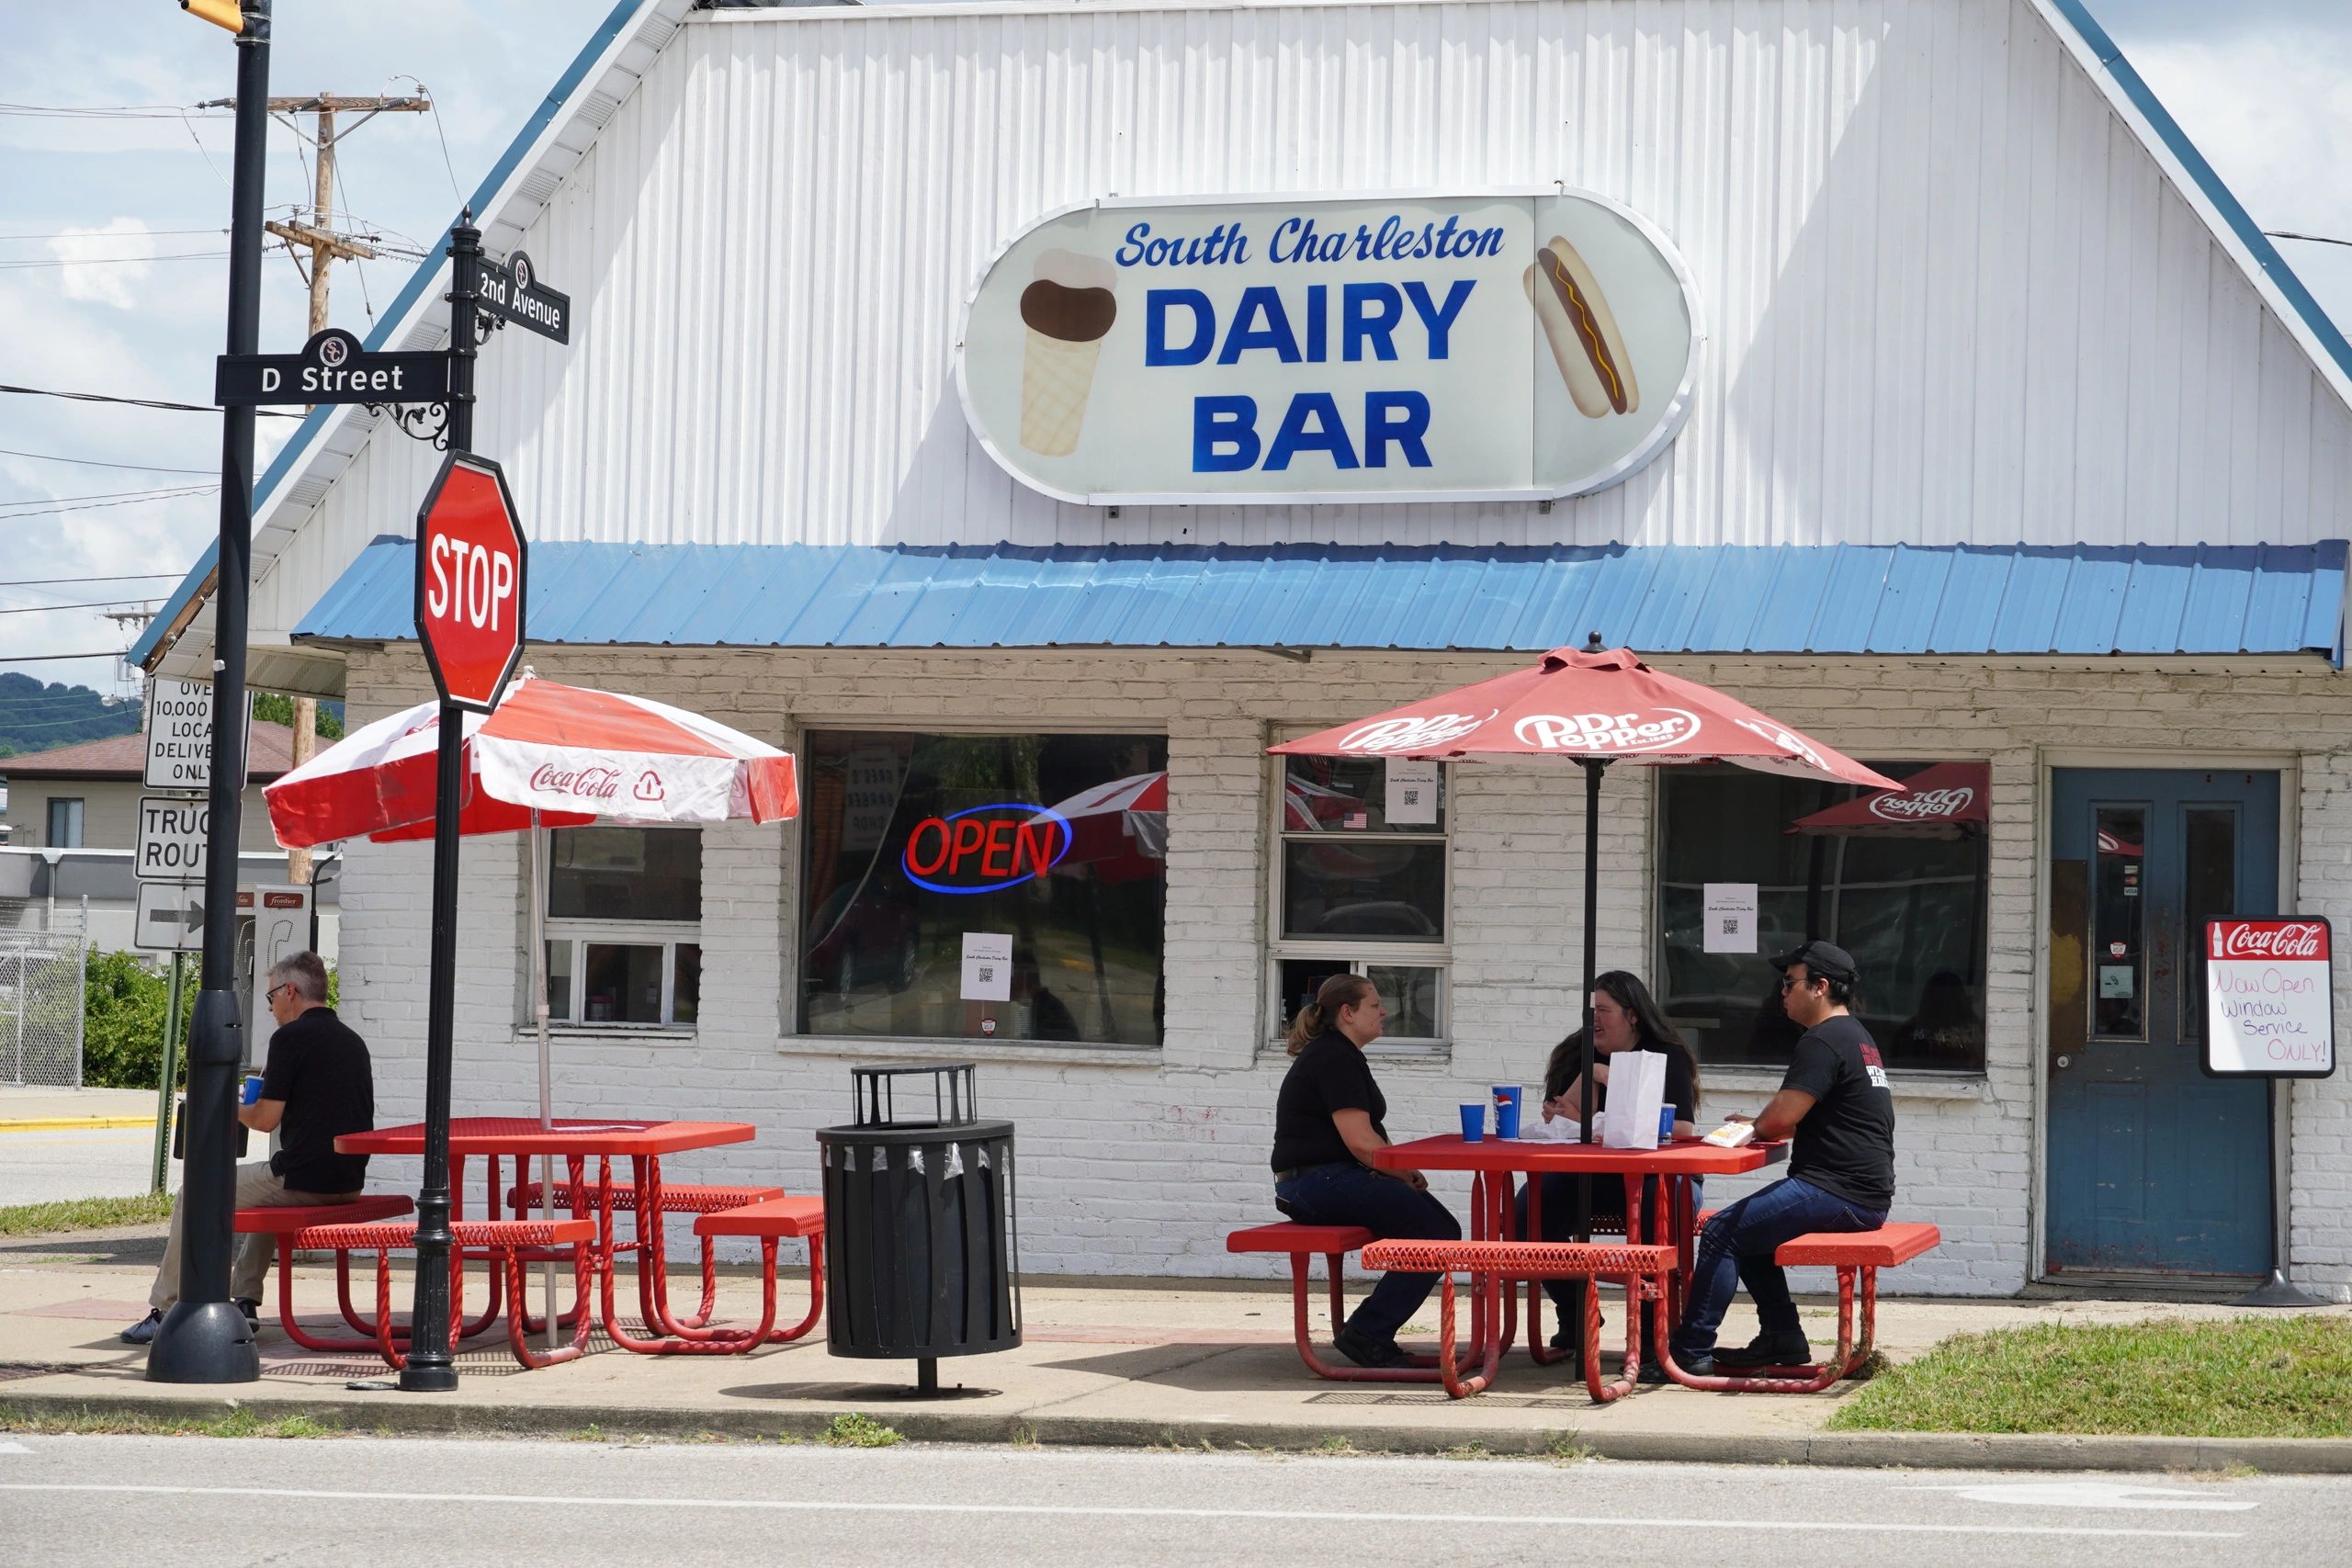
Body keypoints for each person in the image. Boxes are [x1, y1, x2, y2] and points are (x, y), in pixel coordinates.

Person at [1654, 940, 1894, 1378]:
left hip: (1839, 1190)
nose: (1781, 993)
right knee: (1750, 1229)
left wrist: (1756, 1126)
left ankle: (1689, 1351)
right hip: (1860, 1191)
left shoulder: (1823, 1040)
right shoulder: (1858, 1037)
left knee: (1724, 1230)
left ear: (1820, 987)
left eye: (1789, 983)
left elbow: (1781, 1119)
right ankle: (1782, 1336)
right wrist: (1761, 1122)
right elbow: (1828, 1117)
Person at [123, 952, 375, 1347]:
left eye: (272, 996)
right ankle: (244, 1300)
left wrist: (224, 1104)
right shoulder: (352, 1040)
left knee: (194, 1193)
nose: (271, 1006)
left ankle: (166, 1310)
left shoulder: (291, 1038)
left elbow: (264, 1120)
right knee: (266, 1195)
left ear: (291, 991)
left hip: (305, 1180)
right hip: (348, 1181)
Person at [1270, 973, 1461, 1369]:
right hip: (1315, 1181)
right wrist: (1402, 1170)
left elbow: (1367, 1139)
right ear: (1347, 1012)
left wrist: (1401, 1171)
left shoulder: (1340, 1053)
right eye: (1374, 1005)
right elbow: (1360, 1141)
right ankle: (1367, 1334)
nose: (1384, 1011)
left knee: (1438, 1229)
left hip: (1325, 1178)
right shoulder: (1333, 1056)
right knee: (1436, 1232)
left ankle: (1370, 1332)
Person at [1512, 971, 1701, 1346]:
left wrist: (1605, 1073)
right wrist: (1585, 1078)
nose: (1594, 1019)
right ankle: (1578, 1312)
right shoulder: (1575, 1051)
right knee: (1525, 1215)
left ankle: (1652, 1334)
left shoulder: (1665, 1055)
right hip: (1591, 1174)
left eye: (1604, 1010)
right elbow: (1566, 1121)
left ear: (1633, 1016)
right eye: (1590, 1011)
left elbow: (1679, 1127)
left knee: (1655, 1215)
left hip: (1656, 1177)